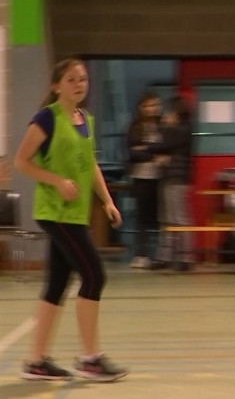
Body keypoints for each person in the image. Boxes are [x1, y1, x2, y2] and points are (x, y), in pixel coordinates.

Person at [13, 58, 128, 382]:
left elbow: (90, 164)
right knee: (94, 275)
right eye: (72, 79)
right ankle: (90, 358)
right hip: (55, 212)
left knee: (57, 284)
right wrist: (56, 181)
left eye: (83, 79)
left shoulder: (85, 119)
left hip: (76, 215)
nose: (79, 84)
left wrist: (106, 200)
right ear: (56, 85)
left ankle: (35, 361)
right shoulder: (46, 119)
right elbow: (22, 161)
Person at [151, 96, 195, 272]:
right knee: (166, 218)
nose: (166, 115)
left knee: (179, 218)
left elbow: (160, 144)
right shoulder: (176, 129)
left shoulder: (183, 129)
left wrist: (164, 126)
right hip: (167, 177)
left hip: (177, 178)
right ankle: (165, 256)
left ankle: (185, 256)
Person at [126, 92, 164, 269]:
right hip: (141, 177)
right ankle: (141, 254)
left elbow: (166, 148)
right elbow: (132, 152)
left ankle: (159, 255)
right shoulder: (135, 126)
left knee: (158, 217)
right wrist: (153, 154)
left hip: (160, 178)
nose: (151, 109)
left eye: (154, 105)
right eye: (147, 106)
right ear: (141, 108)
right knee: (141, 217)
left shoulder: (163, 126)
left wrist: (145, 148)